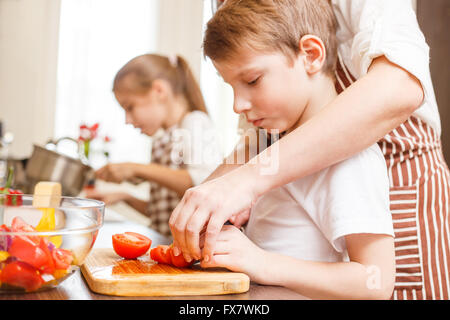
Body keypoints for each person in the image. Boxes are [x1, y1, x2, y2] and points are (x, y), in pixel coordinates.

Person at [169, 0, 450, 300]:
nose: (238, 105)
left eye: (253, 80)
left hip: (406, 191)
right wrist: (215, 195)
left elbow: (399, 87)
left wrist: (248, 185)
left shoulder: (353, 164)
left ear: (312, 55)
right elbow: (256, 139)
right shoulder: (275, 138)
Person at [88, 53, 222, 237]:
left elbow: (202, 182)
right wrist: (125, 196)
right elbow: (162, 213)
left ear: (159, 90)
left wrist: (136, 169)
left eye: (130, 107)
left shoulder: (195, 122)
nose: (127, 120)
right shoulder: (162, 140)